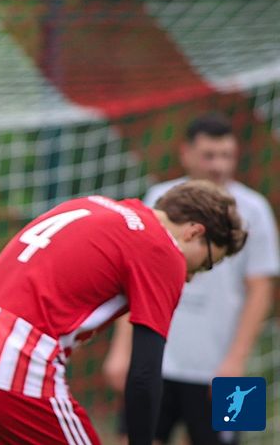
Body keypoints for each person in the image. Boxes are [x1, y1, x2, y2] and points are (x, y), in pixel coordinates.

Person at [0, 180, 247, 445]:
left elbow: (260, 285)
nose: (192, 278)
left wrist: (236, 360)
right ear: (194, 231)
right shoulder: (163, 249)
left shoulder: (93, 204)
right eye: (206, 264)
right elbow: (145, 371)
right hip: (14, 368)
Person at [103, 113, 278, 445]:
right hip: (156, 362)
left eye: (226, 155)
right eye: (209, 155)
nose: (219, 165)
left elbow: (261, 290)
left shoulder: (255, 209)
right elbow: (135, 282)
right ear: (186, 153)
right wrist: (121, 350)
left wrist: (237, 361)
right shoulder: (159, 199)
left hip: (229, 370)